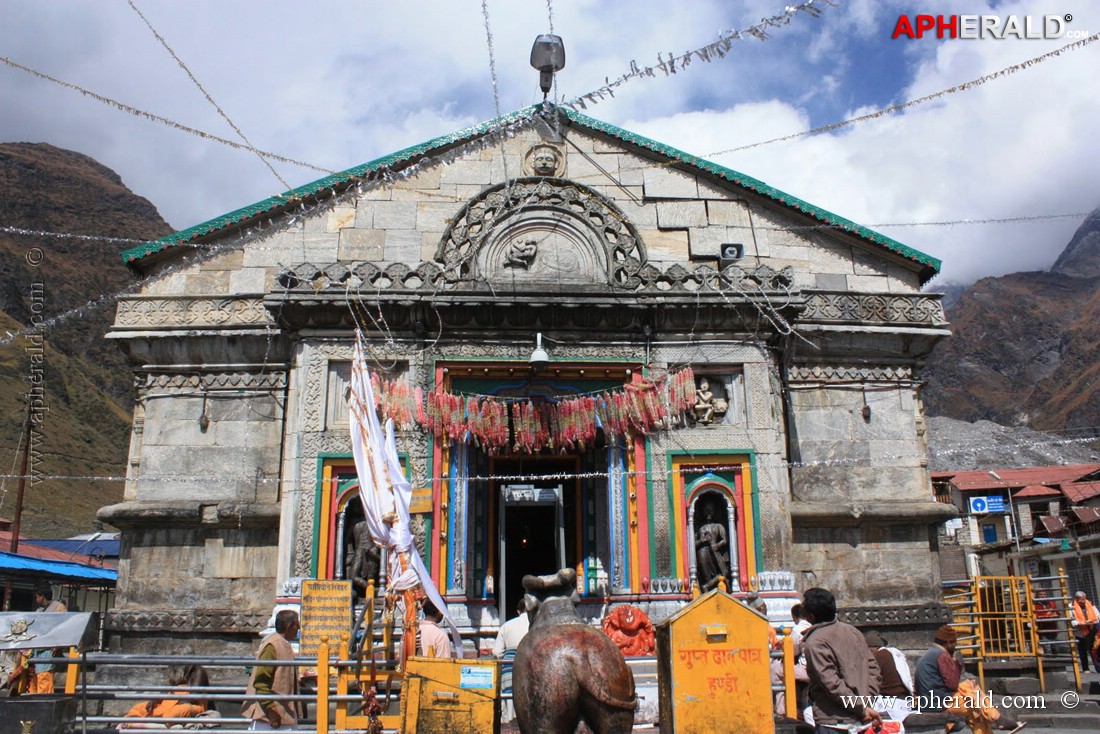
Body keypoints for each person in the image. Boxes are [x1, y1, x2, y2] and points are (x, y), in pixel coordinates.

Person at [799, 587, 883, 733]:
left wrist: (862, 708)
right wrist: (865, 704)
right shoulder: (853, 631)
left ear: (810, 616)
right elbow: (874, 671)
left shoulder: (816, 642)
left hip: (834, 721)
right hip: (859, 718)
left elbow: (831, 684)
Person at [914, 625, 1024, 733]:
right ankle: (998, 718)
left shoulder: (928, 655)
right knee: (971, 693)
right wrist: (957, 664)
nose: (955, 646)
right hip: (939, 703)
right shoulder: (942, 656)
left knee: (975, 708)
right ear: (948, 643)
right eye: (954, 643)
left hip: (929, 701)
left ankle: (996, 718)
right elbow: (952, 685)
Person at [242, 610, 301, 730]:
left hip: (283, 710)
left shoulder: (284, 644)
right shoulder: (272, 645)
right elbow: (261, 682)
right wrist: (271, 709)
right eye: (297, 624)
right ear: (290, 626)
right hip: (269, 715)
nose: (299, 627)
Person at [122, 664, 215, 725]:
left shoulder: (198, 671)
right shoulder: (175, 674)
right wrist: (154, 701)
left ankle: (151, 723)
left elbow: (192, 698)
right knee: (140, 707)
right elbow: (165, 690)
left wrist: (175, 702)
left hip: (189, 705)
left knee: (173, 714)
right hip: (169, 701)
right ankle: (142, 721)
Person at [493, 597, 531, 723]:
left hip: (510, 665)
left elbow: (497, 653)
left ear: (518, 611)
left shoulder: (507, 626)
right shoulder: (537, 625)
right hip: (531, 662)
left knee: (510, 698)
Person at [864, 631, 914, 723]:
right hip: (902, 701)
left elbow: (870, 682)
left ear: (872, 648)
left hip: (891, 702)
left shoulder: (880, 656)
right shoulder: (892, 654)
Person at [28, 581, 67, 694]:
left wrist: (57, 645)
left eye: (37, 597)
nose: (35, 599)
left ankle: (44, 700)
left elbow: (64, 627)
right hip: (39, 649)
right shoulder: (40, 611)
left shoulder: (58, 608)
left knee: (44, 677)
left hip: (49, 649)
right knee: (36, 678)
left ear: (42, 596)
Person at [694, 505, 730, 592]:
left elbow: (725, 540)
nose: (708, 512)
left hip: (716, 552)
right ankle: (707, 586)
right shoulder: (700, 528)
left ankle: (709, 585)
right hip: (703, 552)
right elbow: (693, 544)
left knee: (723, 573)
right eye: (706, 510)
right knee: (705, 574)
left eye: (710, 510)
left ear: (714, 511)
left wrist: (717, 545)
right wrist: (702, 540)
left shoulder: (718, 526)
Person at [1071, 590, 1099, 673]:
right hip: (1081, 631)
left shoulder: (1089, 603)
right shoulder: (1071, 606)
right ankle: (1086, 668)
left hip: (1092, 629)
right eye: (1081, 600)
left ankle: (1098, 667)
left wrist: (1093, 621)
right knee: (1082, 650)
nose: (1083, 601)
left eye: (1084, 599)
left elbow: (1097, 615)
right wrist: (1079, 623)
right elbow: (1071, 619)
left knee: (1094, 649)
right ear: (1076, 599)